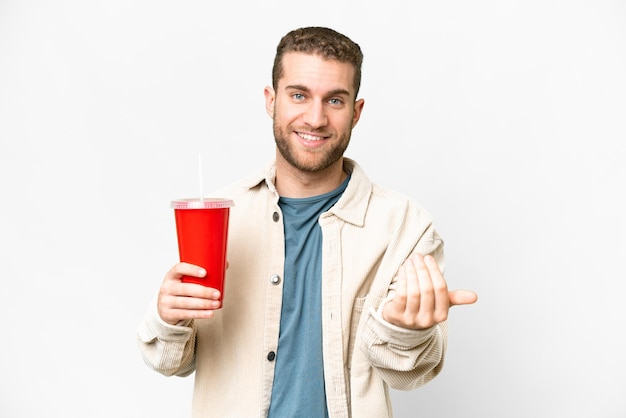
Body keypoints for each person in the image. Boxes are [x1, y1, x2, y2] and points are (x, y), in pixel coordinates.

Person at [137, 26, 477, 418]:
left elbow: (412, 374)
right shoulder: (222, 216)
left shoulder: (405, 226)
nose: (315, 119)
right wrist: (168, 317)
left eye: (334, 100)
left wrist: (405, 329)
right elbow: (168, 362)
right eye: (299, 95)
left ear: (357, 111)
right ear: (271, 101)